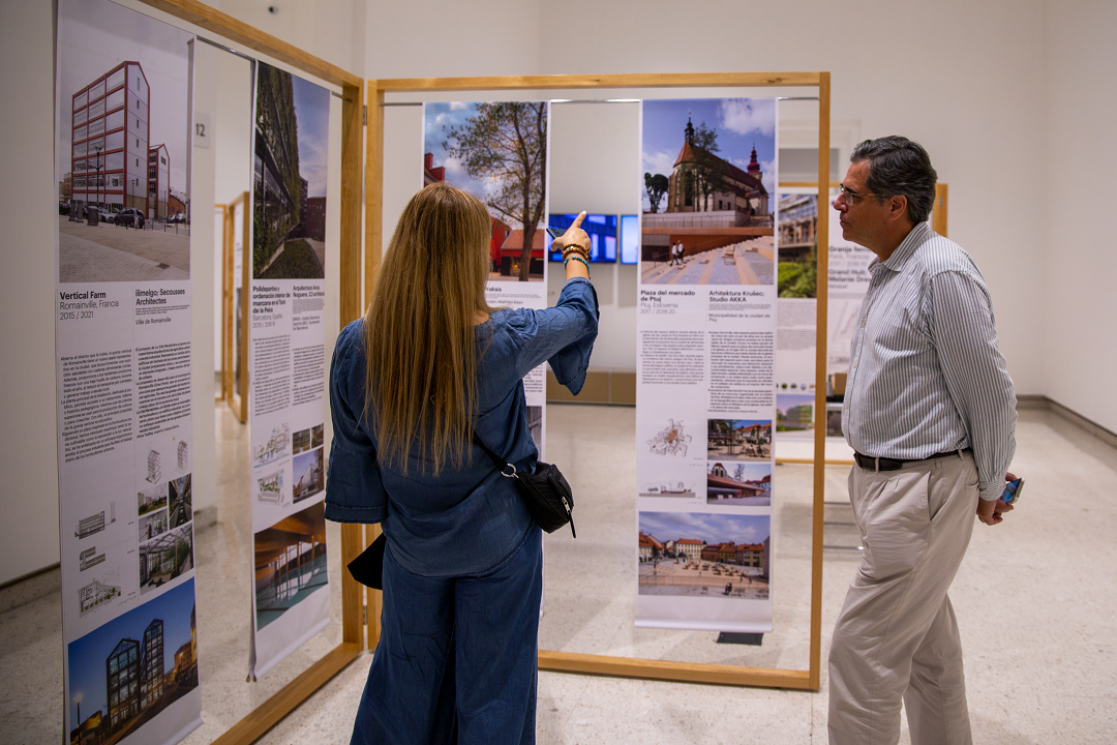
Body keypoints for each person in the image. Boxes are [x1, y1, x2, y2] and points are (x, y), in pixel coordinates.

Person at [325, 183, 598, 744]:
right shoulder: (505, 341)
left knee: (404, 678)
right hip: (499, 547)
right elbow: (577, 312)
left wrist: (401, 519)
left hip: (410, 548)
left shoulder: (357, 346)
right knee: (495, 685)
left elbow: (357, 457)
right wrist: (574, 253)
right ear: (471, 258)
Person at [828, 136, 1017, 745]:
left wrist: (991, 484)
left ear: (896, 206)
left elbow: (990, 392)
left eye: (851, 195)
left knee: (862, 654)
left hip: (921, 491)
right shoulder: (892, 271)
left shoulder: (942, 272)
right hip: (887, 486)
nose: (837, 203)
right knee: (927, 651)